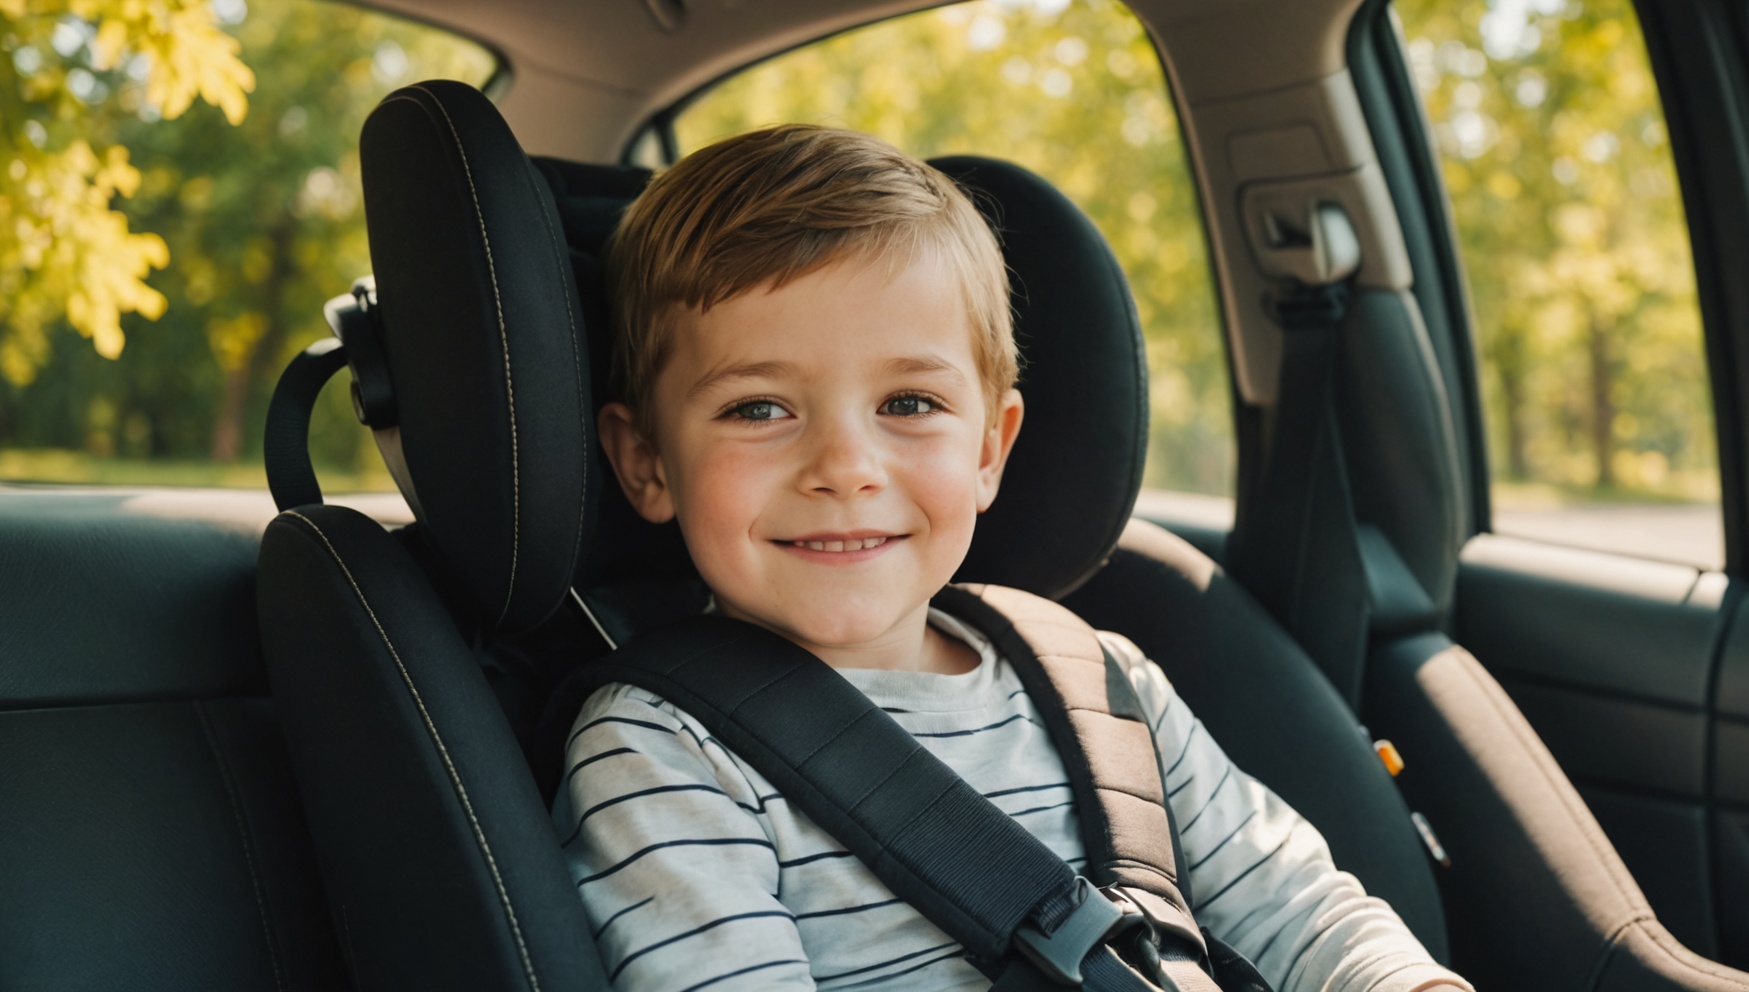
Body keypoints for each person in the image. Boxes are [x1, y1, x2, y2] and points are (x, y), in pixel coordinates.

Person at [560, 122, 1471, 992]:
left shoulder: (1098, 682)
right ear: (645, 461)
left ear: (989, 449)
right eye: (758, 408)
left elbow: (1295, 907)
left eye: (909, 403)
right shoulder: (661, 754)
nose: (845, 469)